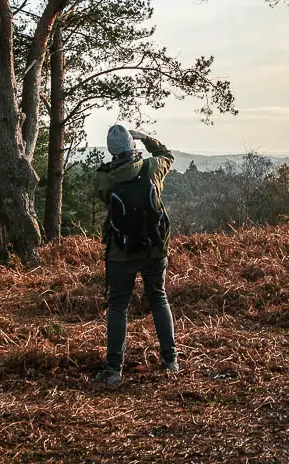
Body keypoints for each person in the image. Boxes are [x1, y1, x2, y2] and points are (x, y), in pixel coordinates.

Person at [94, 124, 177, 389]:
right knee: (158, 298)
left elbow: (101, 193)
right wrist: (147, 138)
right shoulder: (152, 168)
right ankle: (170, 361)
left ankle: (114, 370)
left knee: (118, 306)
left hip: (121, 252)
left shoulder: (106, 178)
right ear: (133, 146)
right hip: (155, 249)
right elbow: (168, 155)